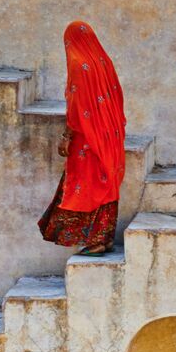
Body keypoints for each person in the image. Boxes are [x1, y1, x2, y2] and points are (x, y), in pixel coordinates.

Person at [38, 20, 126, 256]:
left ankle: (96, 241)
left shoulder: (79, 64)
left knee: (86, 187)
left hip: (87, 139)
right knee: (105, 184)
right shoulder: (103, 62)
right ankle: (104, 238)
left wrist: (67, 135)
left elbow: (78, 106)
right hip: (109, 137)